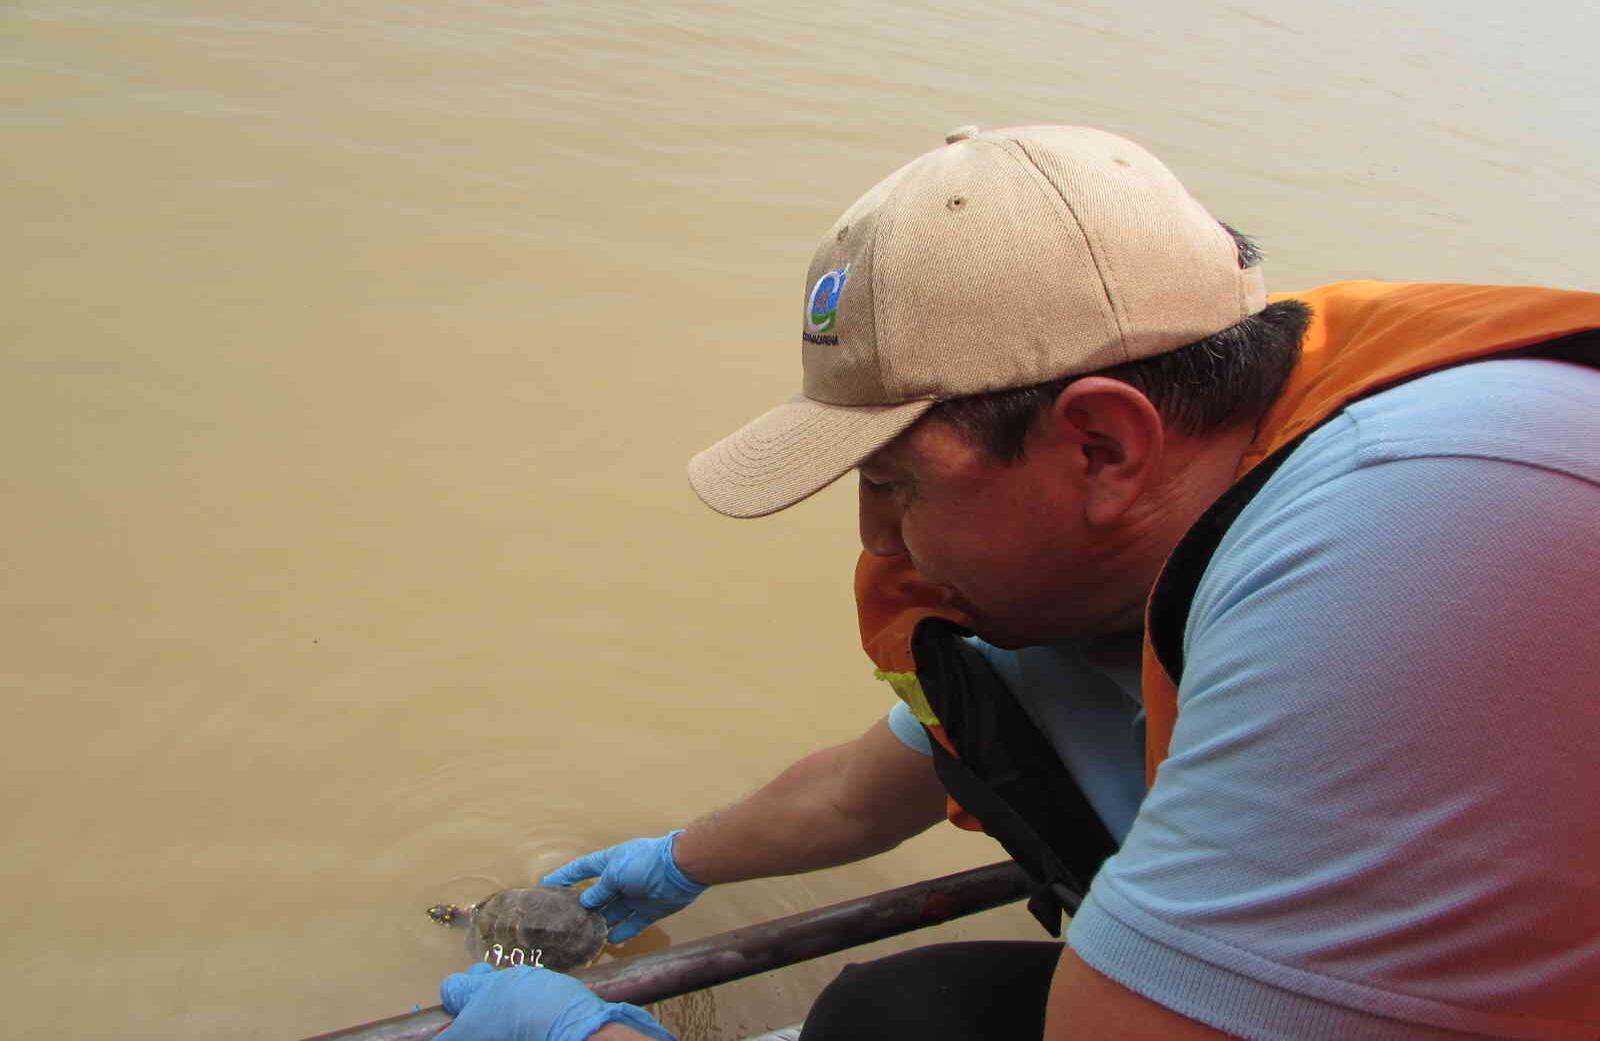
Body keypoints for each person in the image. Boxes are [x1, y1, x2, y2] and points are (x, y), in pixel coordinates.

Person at [436, 125, 1600, 1041]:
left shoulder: (1425, 527)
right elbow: (862, 789)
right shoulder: (1156, 534)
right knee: (899, 1019)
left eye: (895, 483)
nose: (875, 543)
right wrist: (670, 862)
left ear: (1099, 446)